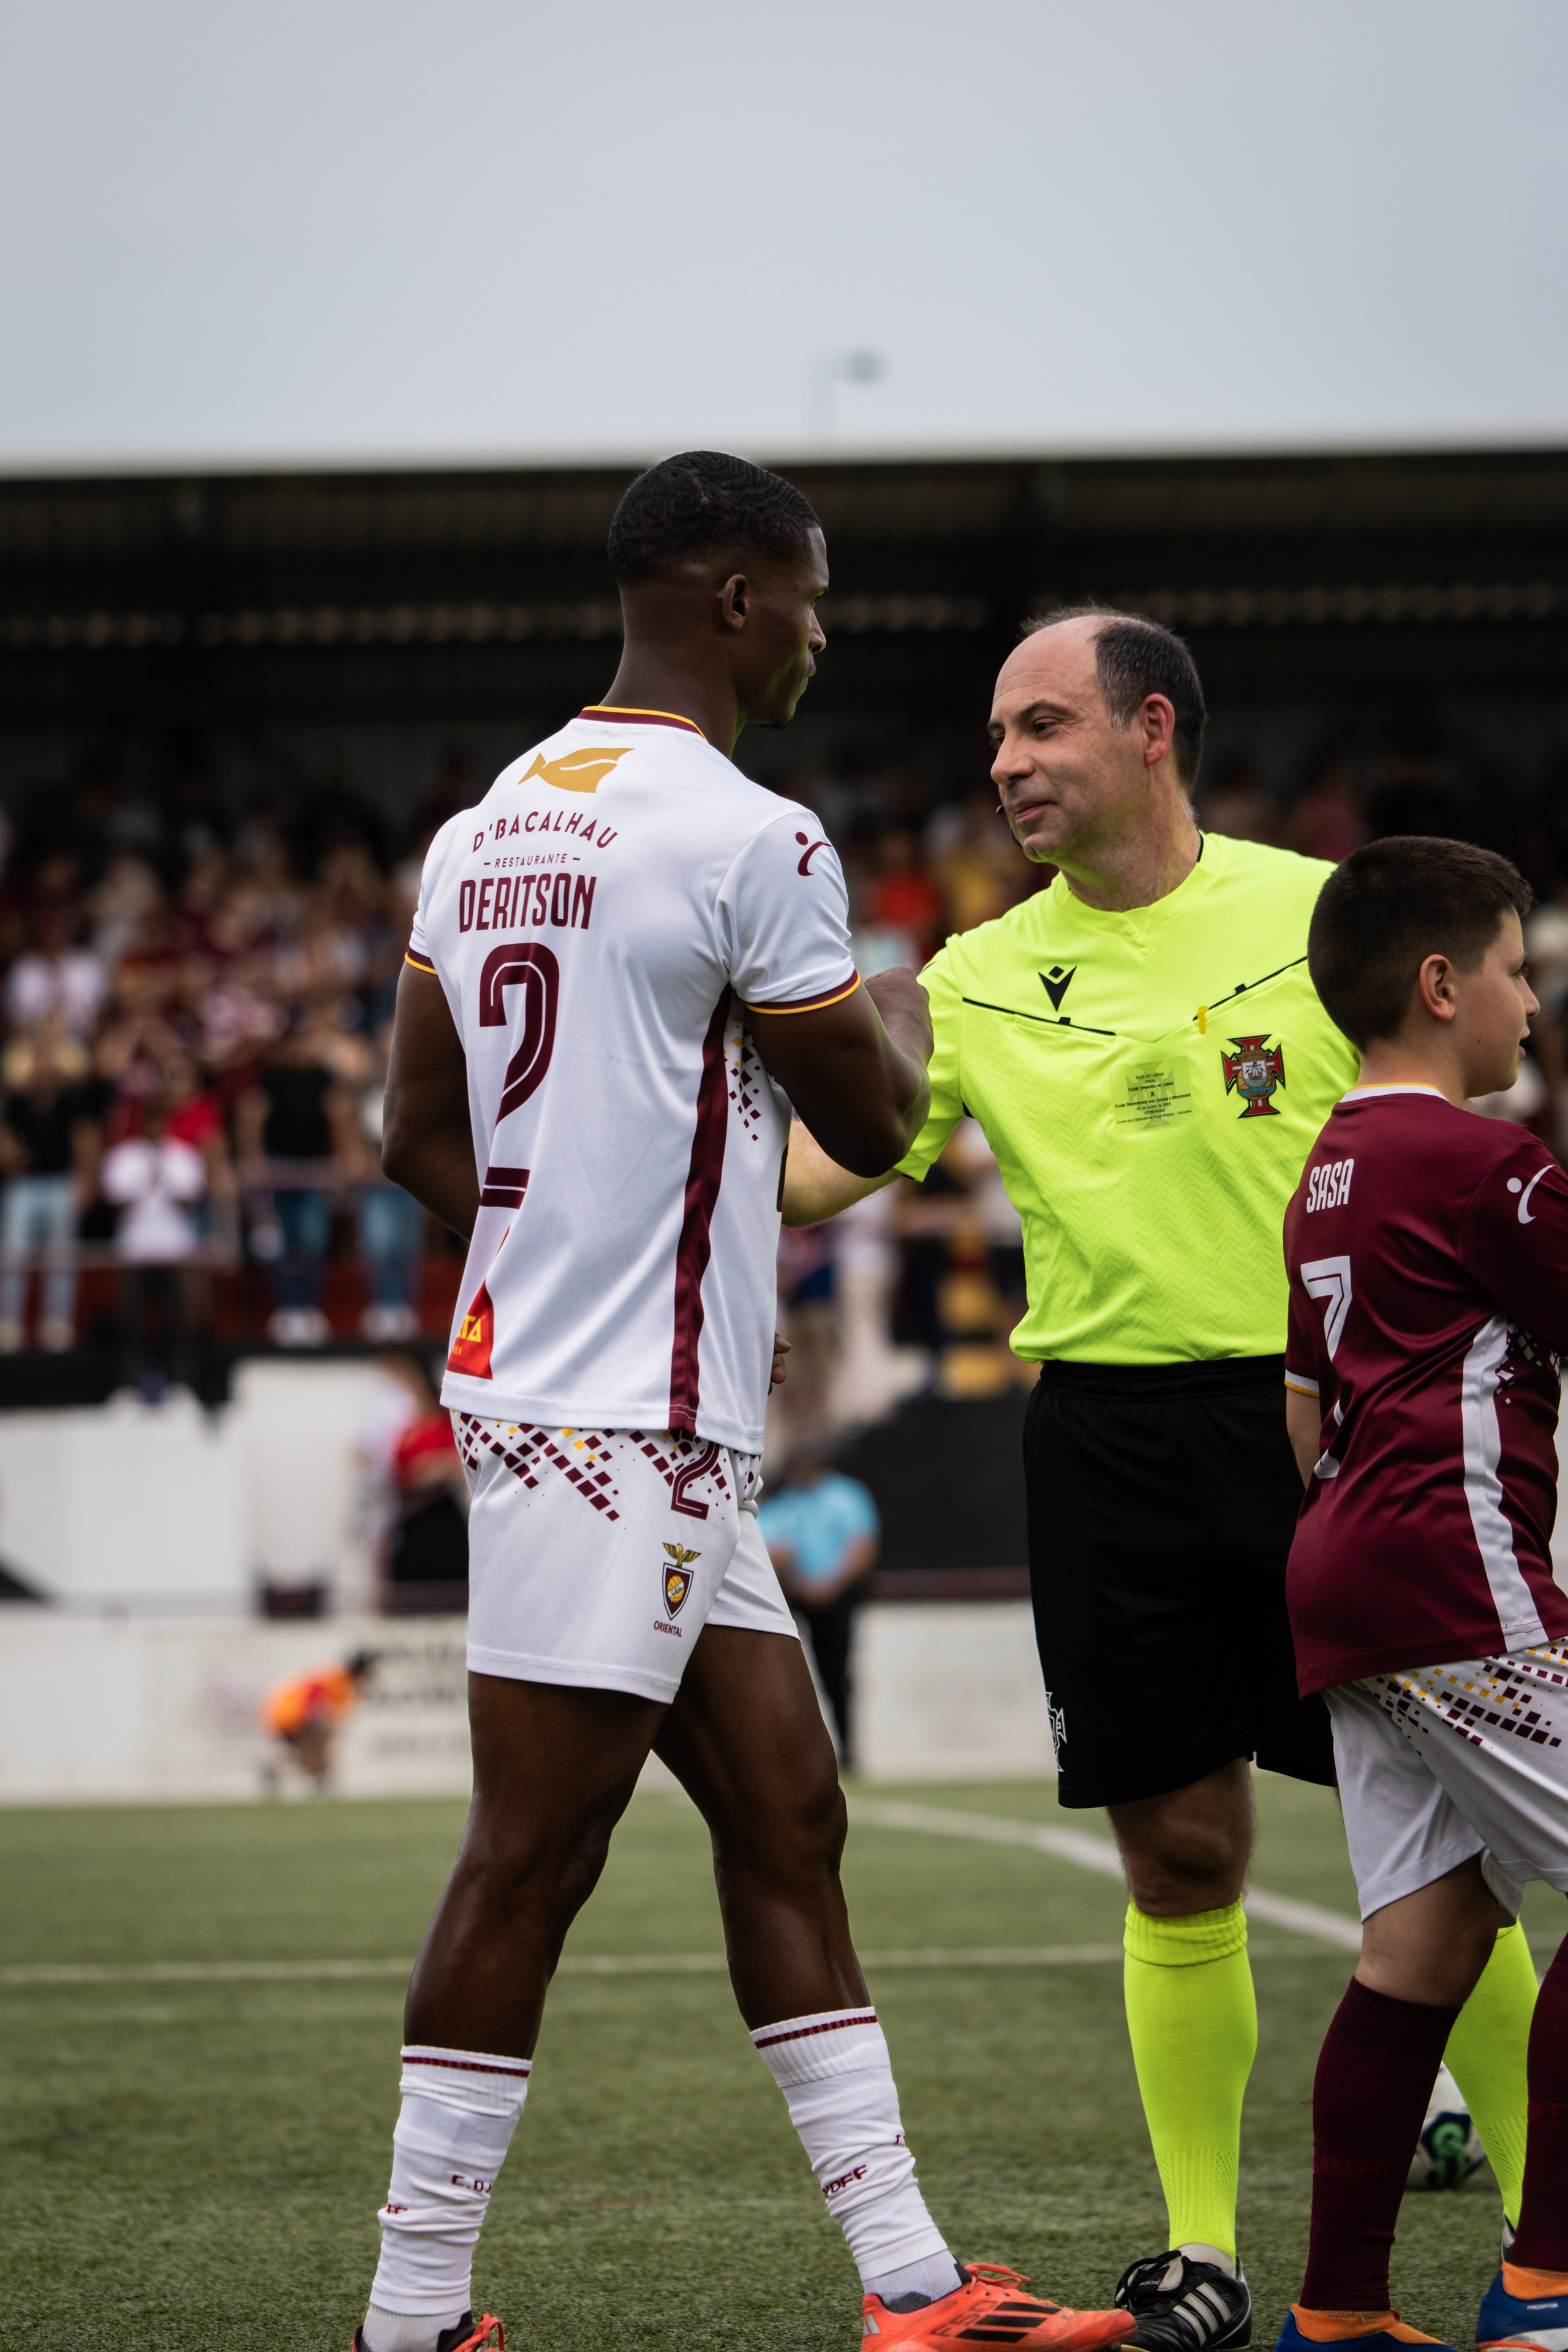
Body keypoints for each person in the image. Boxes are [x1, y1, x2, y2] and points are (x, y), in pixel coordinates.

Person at [356, 452, 1132, 2352]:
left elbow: (413, 1137)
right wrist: (937, 1026)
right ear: (726, 596)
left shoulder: (480, 830)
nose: (816, 630)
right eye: (805, 595)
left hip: (613, 1397)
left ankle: (913, 2284)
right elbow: (868, 1119)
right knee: (529, 1852)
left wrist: (616, 1238)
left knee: (788, 1811)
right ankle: (406, 2309)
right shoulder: (753, 836)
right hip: (615, 1417)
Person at [782, 609, 1541, 2346]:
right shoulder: (971, 973)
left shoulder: (1323, 915)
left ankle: (1536, 2249)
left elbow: (1455, 1121)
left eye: (1040, 727)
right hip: (1109, 1448)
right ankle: (1203, 2249)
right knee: (1178, 1853)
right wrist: (672, 1195)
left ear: (1151, 730)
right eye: (995, 737)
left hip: (1337, 1430)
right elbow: (836, 1169)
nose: (1005, 764)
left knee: (1449, 1868)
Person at [1274, 839, 1568, 2352]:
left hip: (1345, 1575)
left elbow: (1303, 1413)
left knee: (1424, 1946)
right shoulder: (1480, 1160)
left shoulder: (1320, 1165)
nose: (1529, 997)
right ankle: (1541, 2284)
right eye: (1516, 966)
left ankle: (1333, 2309)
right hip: (1449, 1569)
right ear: (1441, 984)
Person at [758, 1449, 879, 1770]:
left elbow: (862, 1546)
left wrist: (830, 1584)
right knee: (783, 1673)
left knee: (836, 1676)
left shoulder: (846, 1496)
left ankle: (847, 1749)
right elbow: (775, 1551)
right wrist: (799, 1584)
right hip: (793, 1595)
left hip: (835, 1598)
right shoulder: (786, 1503)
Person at [100, 1090, 208, 1400]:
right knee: (130, 1323)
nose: (155, 1128)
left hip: (174, 1252)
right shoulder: (124, 1158)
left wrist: (166, 1180)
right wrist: (144, 1182)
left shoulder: (183, 1157)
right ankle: (125, 1385)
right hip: (135, 1251)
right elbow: (115, 1205)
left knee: (179, 1322)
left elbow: (191, 1203)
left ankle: (181, 1384)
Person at [0, 1021, 100, 1351]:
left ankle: (57, 1322)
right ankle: (8, 1322)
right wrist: (13, 1157)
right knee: (13, 1253)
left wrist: (86, 1182)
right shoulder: (17, 1102)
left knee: (62, 1256)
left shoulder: (69, 1102)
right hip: (25, 1185)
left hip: (60, 1182)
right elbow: (5, 1141)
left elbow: (85, 1139)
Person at [262, 1650, 377, 1790]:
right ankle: (317, 1773)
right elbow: (314, 1698)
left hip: (288, 1715)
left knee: (308, 1752)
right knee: (316, 1746)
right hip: (292, 1716)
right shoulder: (337, 1680)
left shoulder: (342, 1683)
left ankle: (303, 1771)